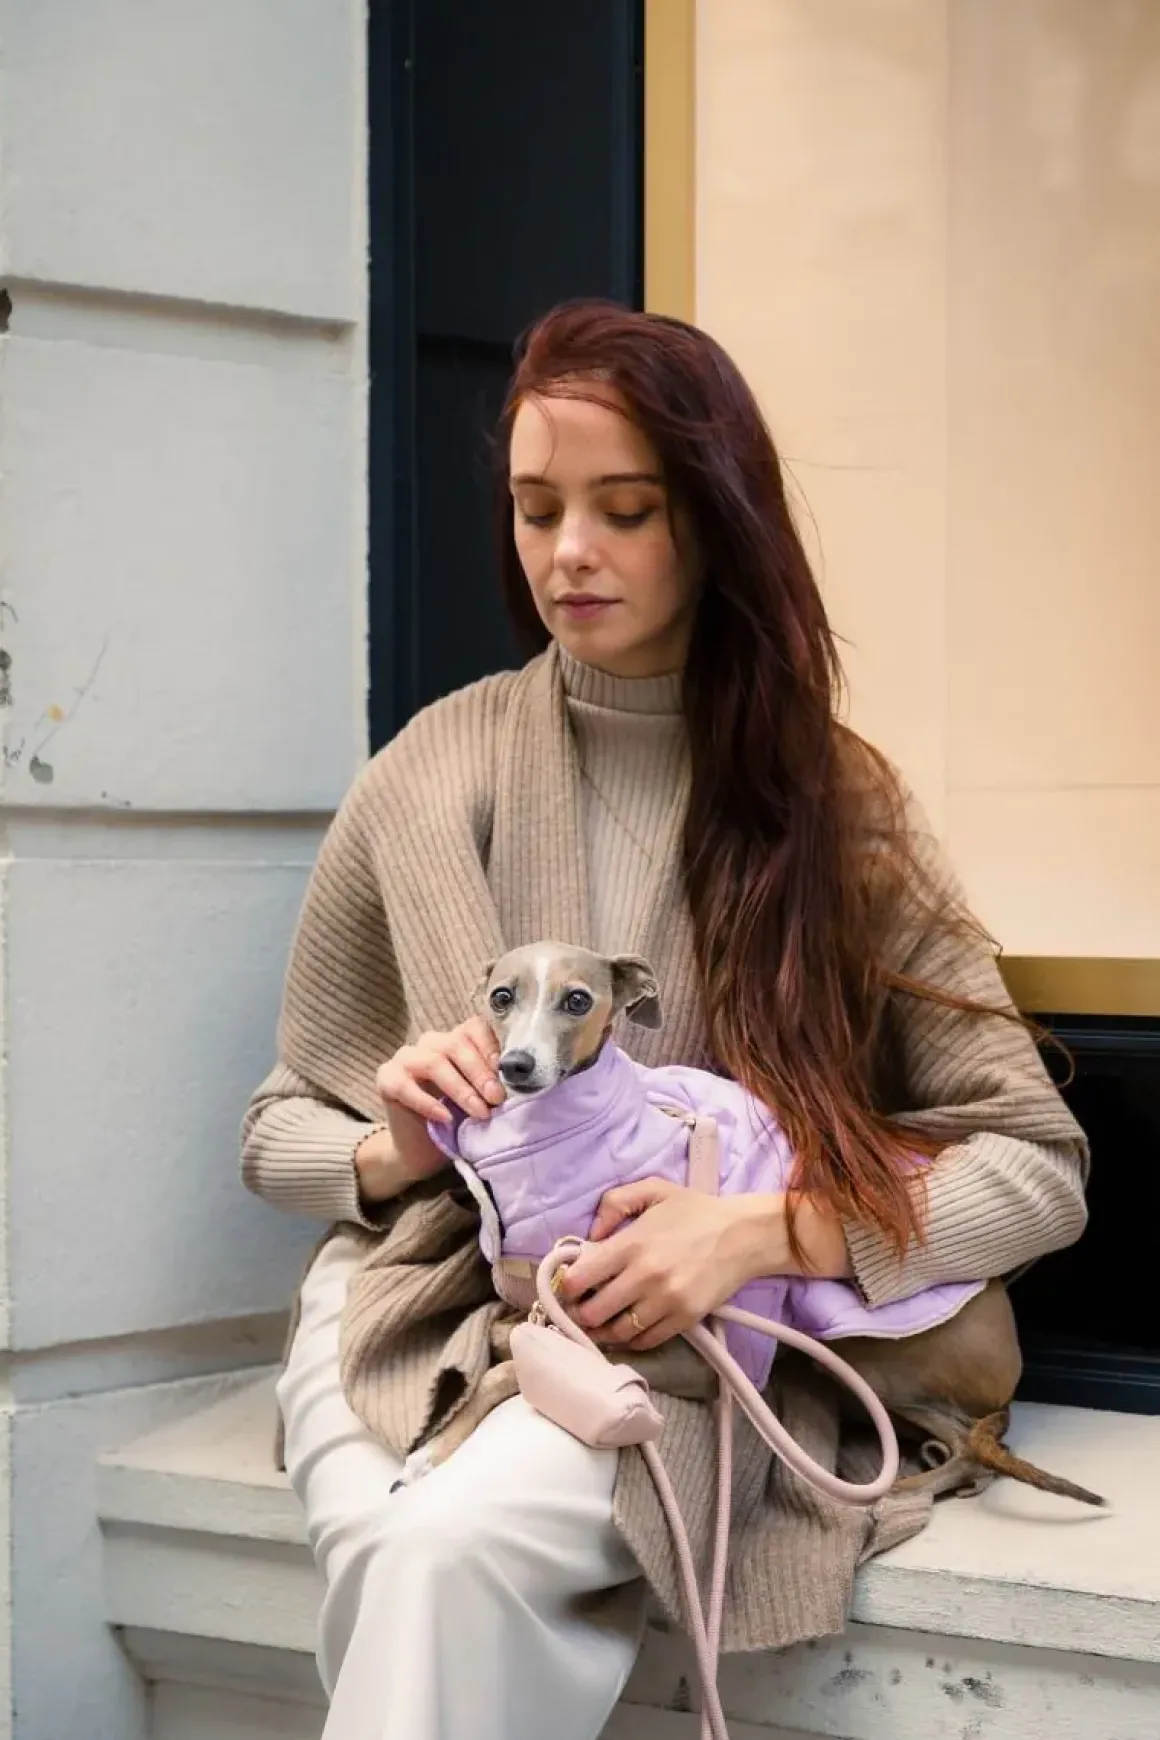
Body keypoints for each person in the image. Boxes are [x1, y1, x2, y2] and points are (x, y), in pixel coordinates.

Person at [241, 300, 1089, 1740]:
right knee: (406, 1547)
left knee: (447, 1552)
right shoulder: (425, 779)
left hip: (670, 1342)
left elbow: (1038, 1169)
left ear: (712, 518)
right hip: (411, 1306)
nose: (568, 553)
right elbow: (275, 1133)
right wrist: (388, 1149)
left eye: (622, 510)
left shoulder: (836, 806)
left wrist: (758, 1234)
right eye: (534, 510)